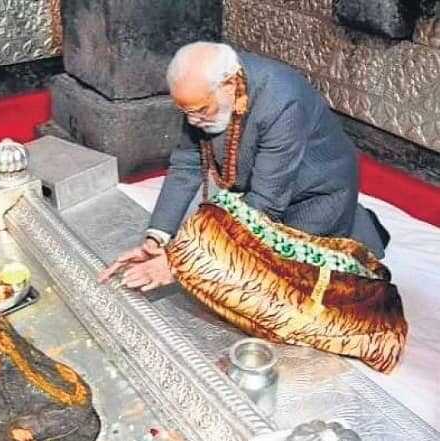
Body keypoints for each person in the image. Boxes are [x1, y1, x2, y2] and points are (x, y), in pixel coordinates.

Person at [100, 42, 390, 291]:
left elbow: (265, 204)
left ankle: (356, 226)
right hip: (265, 184)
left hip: (315, 193)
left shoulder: (282, 100)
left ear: (229, 83)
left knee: (266, 283)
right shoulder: (203, 90)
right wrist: (157, 237)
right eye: (185, 112)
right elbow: (186, 165)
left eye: (201, 111)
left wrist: (181, 260)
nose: (192, 121)